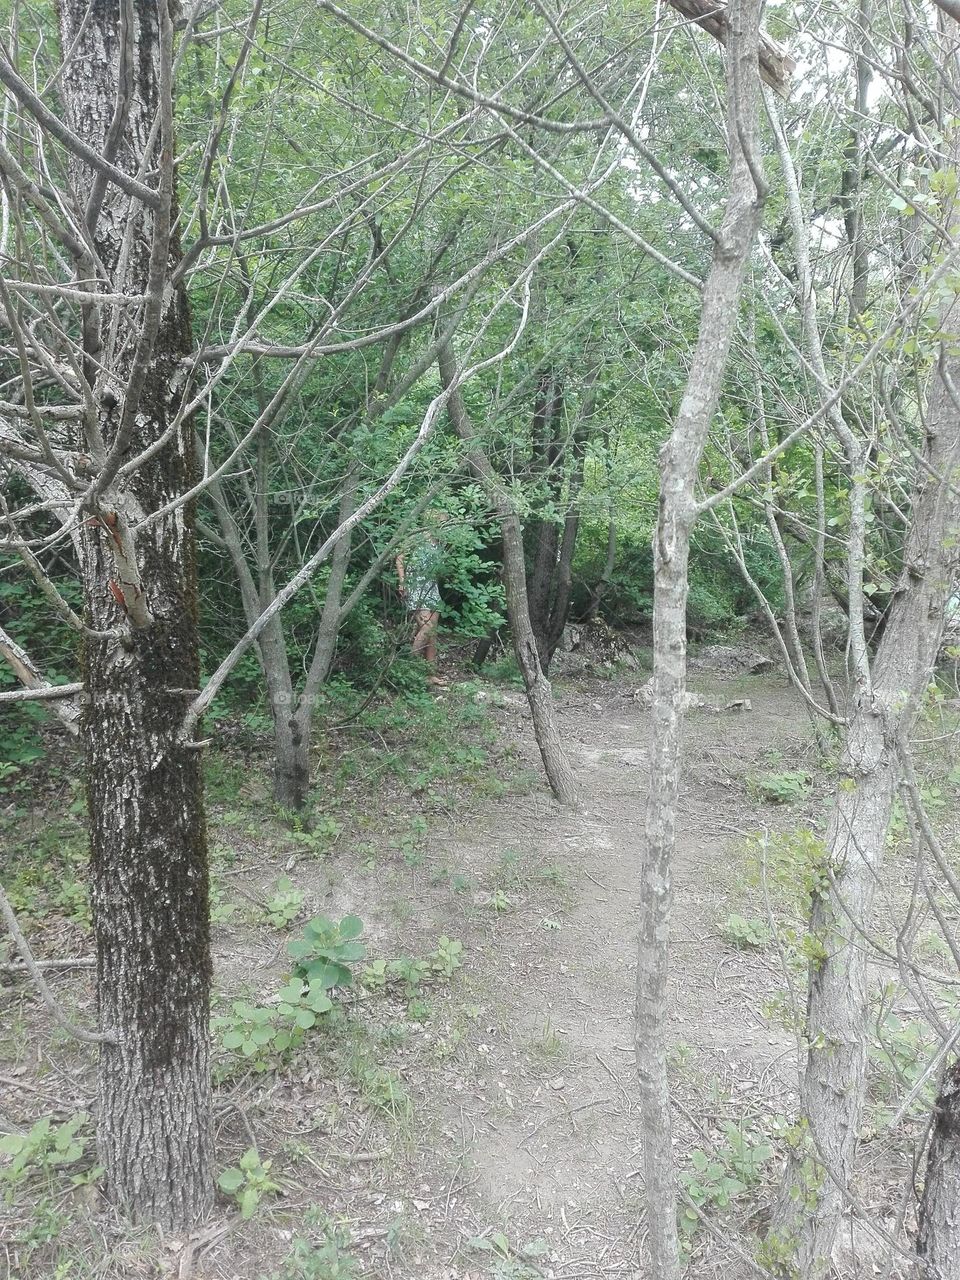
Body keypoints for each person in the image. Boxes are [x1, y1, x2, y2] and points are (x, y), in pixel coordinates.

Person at [396, 515, 447, 684]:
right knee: (426, 628)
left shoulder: (439, 542)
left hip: (431, 588)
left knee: (433, 633)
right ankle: (407, 669)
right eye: (441, 521)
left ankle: (430, 674)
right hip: (415, 586)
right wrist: (403, 581)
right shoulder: (416, 536)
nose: (443, 525)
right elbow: (400, 557)